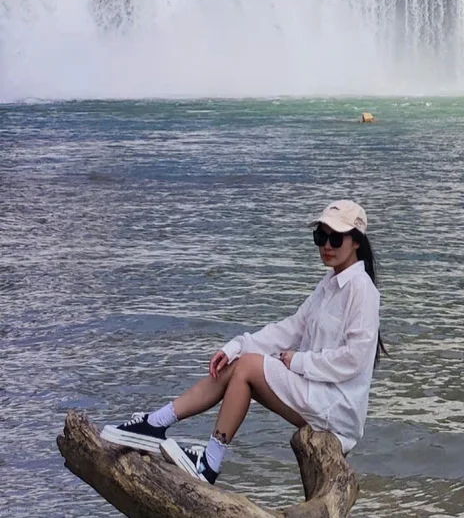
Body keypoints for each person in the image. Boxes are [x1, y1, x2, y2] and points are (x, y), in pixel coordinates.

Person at [101, 200, 383, 484]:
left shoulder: (362, 290)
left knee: (247, 367)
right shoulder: (328, 285)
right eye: (321, 237)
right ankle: (155, 424)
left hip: (337, 410)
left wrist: (299, 361)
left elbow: (355, 359)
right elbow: (290, 328)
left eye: (336, 238)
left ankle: (209, 463)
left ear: (356, 241)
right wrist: (235, 345)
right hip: (315, 393)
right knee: (237, 362)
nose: (327, 246)